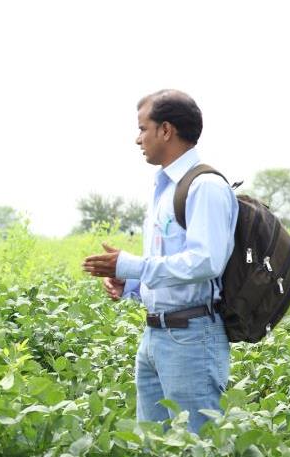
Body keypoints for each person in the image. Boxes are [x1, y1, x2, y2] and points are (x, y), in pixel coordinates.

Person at [82, 89, 238, 434]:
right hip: (155, 335)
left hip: (192, 338)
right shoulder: (165, 188)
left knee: (195, 450)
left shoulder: (205, 186)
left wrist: (131, 265)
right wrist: (132, 284)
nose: (137, 139)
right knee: (153, 455)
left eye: (142, 128)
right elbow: (171, 264)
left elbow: (205, 262)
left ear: (165, 130)